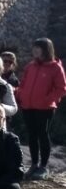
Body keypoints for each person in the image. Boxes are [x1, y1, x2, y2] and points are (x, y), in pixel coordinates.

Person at [16, 38, 66, 180]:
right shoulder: (30, 66)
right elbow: (23, 84)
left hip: (45, 108)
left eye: (38, 48)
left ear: (46, 49)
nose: (35, 50)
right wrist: (21, 94)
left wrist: (46, 100)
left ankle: (43, 167)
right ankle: (34, 164)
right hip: (28, 106)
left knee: (42, 135)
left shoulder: (56, 67)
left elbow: (61, 89)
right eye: (34, 47)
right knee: (32, 135)